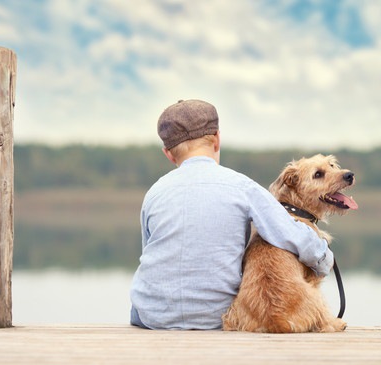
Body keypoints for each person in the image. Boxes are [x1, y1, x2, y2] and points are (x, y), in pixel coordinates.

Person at [129, 99, 334, 330]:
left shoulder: (155, 192)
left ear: (168, 153)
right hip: (215, 317)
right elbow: (289, 233)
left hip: (153, 316)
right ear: (217, 138)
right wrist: (324, 259)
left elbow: (149, 252)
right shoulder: (242, 187)